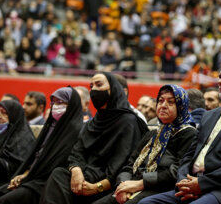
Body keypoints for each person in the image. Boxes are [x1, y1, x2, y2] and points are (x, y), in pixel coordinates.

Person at [139, 60, 221, 204]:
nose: (220, 81)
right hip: (192, 183)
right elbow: (189, 155)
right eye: (220, 76)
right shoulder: (209, 115)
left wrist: (201, 184)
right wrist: (184, 181)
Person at [40, 72, 149, 204]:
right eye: (91, 86)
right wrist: (76, 170)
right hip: (83, 178)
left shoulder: (129, 121)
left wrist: (96, 187)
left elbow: (122, 165)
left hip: (109, 184)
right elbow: (76, 152)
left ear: (113, 89)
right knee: (58, 174)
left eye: (99, 85)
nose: (93, 90)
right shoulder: (94, 122)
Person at [93, 84, 198, 204]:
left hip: (159, 189)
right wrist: (123, 186)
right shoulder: (153, 133)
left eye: (170, 102)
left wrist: (140, 184)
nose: (163, 106)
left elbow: (176, 172)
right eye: (160, 101)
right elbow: (129, 165)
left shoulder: (189, 133)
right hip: (132, 184)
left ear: (181, 107)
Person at [0, 87, 83, 203]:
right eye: (53, 102)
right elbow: (36, 156)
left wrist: (27, 176)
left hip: (47, 182)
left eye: (60, 102)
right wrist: (24, 174)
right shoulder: (51, 126)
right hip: (32, 176)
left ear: (71, 105)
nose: (55, 106)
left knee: (6, 200)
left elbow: (59, 163)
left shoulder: (75, 131)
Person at [0, 100, 35, 188]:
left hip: (10, 184)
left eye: (4, 113)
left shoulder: (23, 139)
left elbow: (17, 169)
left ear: (14, 115)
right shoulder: (2, 135)